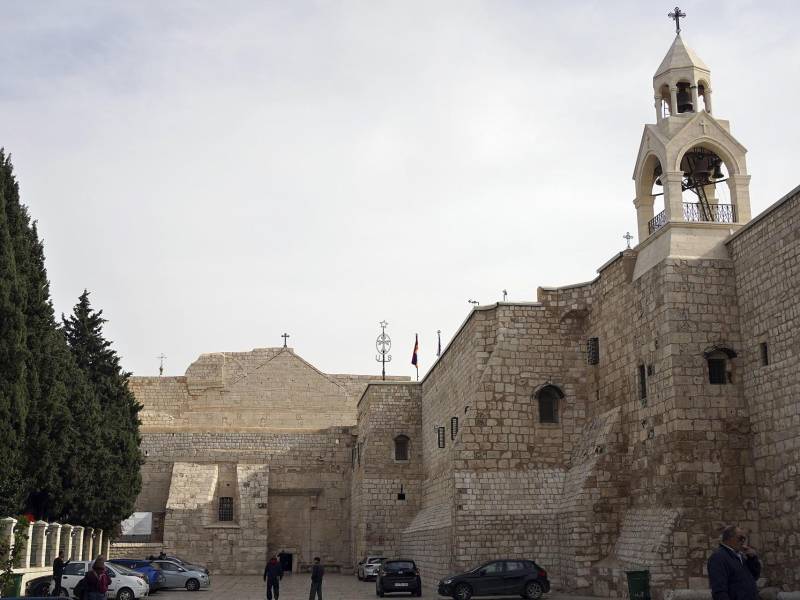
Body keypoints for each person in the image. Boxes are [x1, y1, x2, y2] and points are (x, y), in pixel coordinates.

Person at [707, 525, 761, 600]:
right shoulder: (718, 557)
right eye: (740, 538)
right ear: (729, 538)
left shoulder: (740, 556)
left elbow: (755, 576)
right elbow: (719, 592)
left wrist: (752, 558)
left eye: (744, 538)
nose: (743, 541)